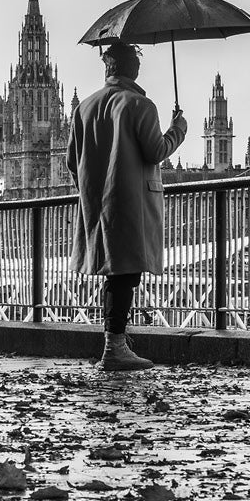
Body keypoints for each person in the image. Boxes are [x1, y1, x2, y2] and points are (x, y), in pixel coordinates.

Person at [67, 39, 186, 371]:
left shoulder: (84, 108)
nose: (138, 65)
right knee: (126, 274)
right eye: (136, 60)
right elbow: (156, 151)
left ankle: (114, 344)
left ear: (108, 66)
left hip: (97, 204)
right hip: (131, 203)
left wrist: (92, 191)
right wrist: (178, 130)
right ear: (131, 67)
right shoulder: (139, 105)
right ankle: (115, 348)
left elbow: (70, 162)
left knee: (115, 274)